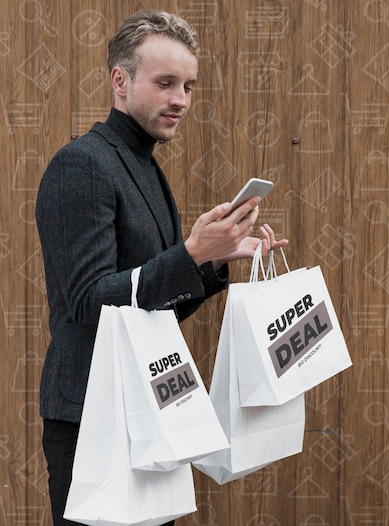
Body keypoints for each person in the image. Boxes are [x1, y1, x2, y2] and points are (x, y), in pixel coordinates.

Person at [35, 10, 286, 526]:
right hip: (92, 420)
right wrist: (189, 255)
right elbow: (88, 303)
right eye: (166, 83)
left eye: (189, 86)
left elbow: (153, 311)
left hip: (147, 413)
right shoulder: (81, 164)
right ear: (120, 81)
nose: (182, 100)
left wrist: (210, 261)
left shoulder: (145, 166)